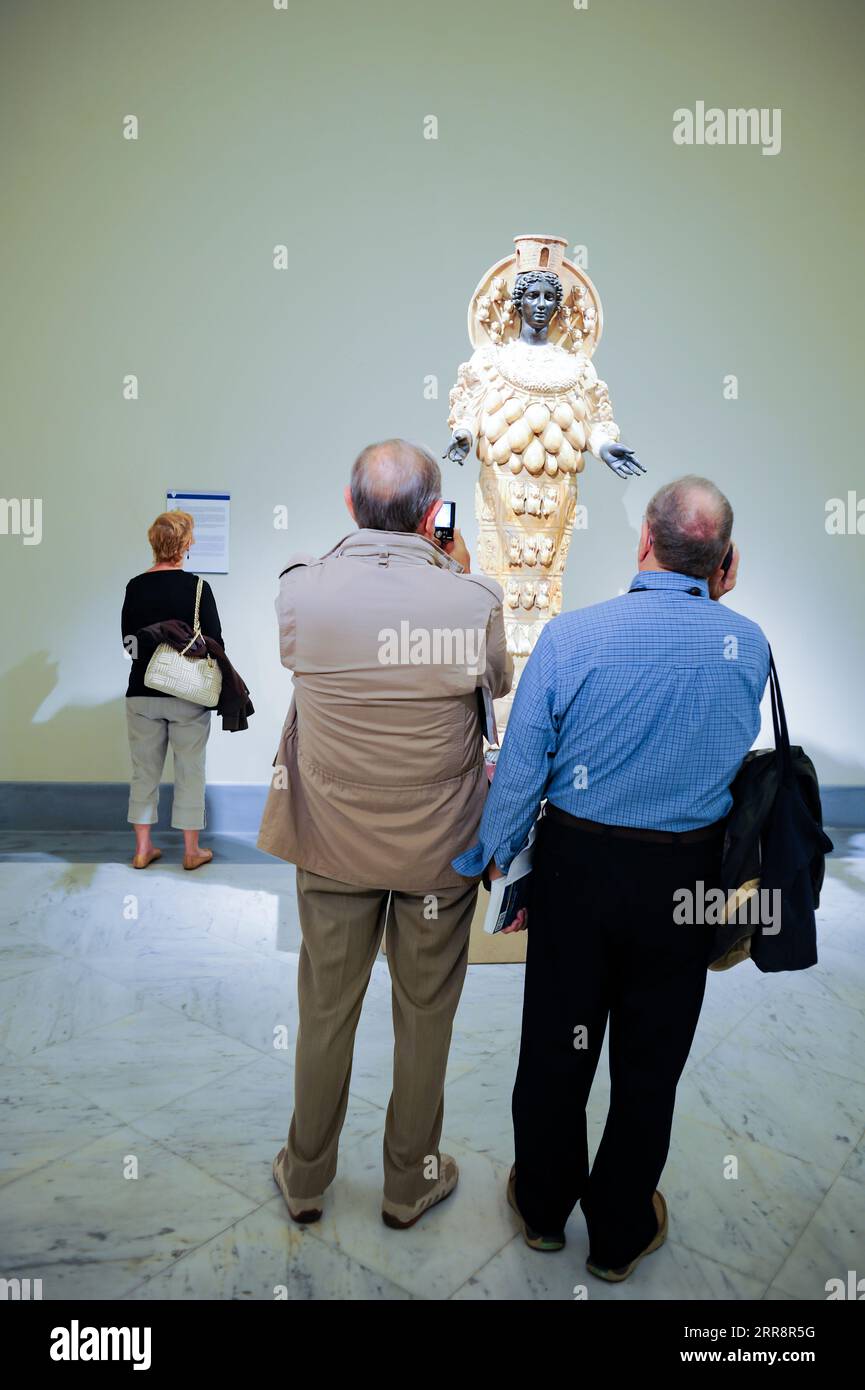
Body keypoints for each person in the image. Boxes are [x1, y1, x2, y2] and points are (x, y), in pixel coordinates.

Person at [453, 475, 770, 1280]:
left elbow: (522, 770)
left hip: (577, 870)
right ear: (725, 562)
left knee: (558, 1047)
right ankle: (621, 1232)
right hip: (683, 879)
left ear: (642, 544)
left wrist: (492, 855)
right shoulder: (748, 644)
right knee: (650, 1059)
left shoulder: (570, 637)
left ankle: (543, 1212)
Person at [258, 439, 512, 1229]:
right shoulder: (472, 599)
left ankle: (305, 1177)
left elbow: (296, 651)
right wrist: (450, 568)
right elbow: (496, 680)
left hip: (332, 842)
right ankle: (409, 1183)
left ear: (347, 505)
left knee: (326, 1010)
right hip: (438, 851)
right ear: (435, 515)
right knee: (425, 1014)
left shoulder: (302, 589)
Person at [121, 510, 224, 871]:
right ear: (186, 544)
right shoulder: (198, 588)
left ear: (154, 543)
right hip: (187, 694)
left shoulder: (135, 586)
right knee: (190, 768)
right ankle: (192, 851)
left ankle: (142, 848)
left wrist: (150, 655)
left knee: (143, 771)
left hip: (142, 692)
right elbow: (215, 642)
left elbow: (128, 643)